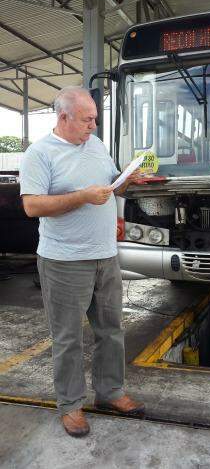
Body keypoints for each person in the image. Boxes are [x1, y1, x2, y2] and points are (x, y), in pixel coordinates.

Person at [19, 86, 145, 437]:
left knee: (111, 330)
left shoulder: (96, 145)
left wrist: (124, 182)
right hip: (64, 261)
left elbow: (107, 185)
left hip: (105, 256)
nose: (93, 124)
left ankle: (110, 392)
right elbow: (32, 206)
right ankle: (71, 405)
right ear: (63, 117)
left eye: (95, 118)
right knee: (68, 337)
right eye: (87, 119)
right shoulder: (39, 154)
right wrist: (82, 197)